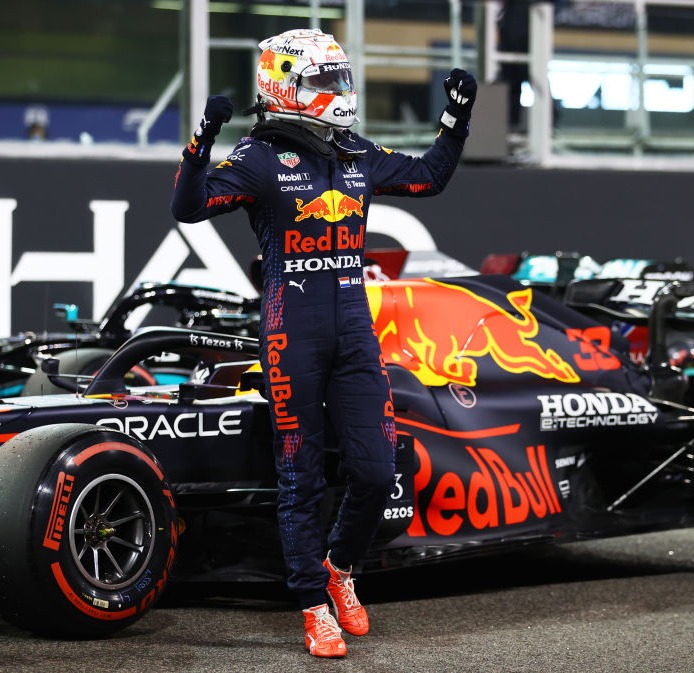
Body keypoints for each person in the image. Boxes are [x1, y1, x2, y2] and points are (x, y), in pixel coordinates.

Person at [170, 27, 476, 658]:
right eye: (324, 80)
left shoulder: (354, 150)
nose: (339, 90)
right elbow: (189, 207)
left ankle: (340, 567)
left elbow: (428, 178)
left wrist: (456, 117)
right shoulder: (258, 156)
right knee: (299, 478)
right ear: (285, 86)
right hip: (292, 335)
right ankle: (313, 606)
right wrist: (201, 141)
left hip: (355, 333)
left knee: (377, 470)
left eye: (340, 77)